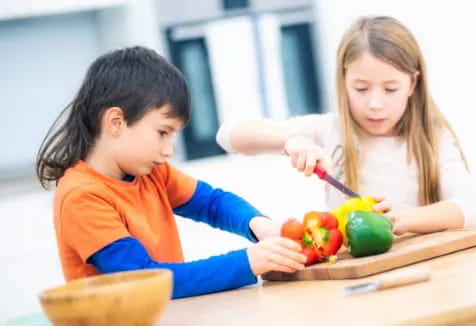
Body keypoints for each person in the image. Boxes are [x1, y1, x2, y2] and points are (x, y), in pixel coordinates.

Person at [36, 46, 306, 299]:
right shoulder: (81, 197)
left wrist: (259, 225)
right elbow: (145, 279)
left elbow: (211, 203)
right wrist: (248, 262)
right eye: (162, 133)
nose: (169, 150)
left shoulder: (151, 172)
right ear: (116, 122)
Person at [216, 16, 476, 235]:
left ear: (413, 84)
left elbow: (470, 207)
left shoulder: (433, 137)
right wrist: (290, 141)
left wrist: (399, 221)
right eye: (361, 88)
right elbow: (228, 135)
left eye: (390, 89)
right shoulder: (329, 130)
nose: (375, 103)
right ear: (343, 81)